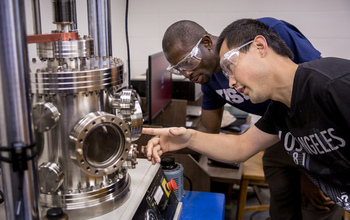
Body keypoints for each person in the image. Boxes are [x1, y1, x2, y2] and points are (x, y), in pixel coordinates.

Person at [143, 18, 349, 217]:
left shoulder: (334, 85)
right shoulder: (279, 111)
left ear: (260, 47)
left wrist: (312, 175)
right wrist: (186, 138)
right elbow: (241, 146)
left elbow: (312, 88)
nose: (230, 82)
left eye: (230, 66)